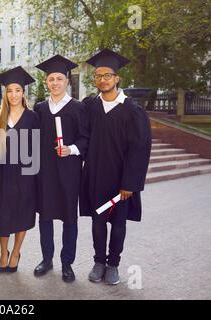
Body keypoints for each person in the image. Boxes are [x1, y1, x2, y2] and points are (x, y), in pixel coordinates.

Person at [80, 48, 151, 285]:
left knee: (118, 225)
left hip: (121, 183)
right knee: (98, 223)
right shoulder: (90, 106)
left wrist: (129, 183)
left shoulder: (132, 110)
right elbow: (83, 138)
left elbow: (139, 149)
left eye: (107, 75)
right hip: (96, 178)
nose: (102, 80)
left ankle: (113, 264)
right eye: (98, 76)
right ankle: (99, 262)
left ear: (117, 78)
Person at [33, 55, 89, 282]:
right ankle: (47, 260)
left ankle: (67, 263)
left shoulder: (78, 108)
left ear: (67, 81)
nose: (55, 83)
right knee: (45, 218)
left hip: (68, 172)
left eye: (59, 79)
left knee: (69, 219)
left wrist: (72, 149)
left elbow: (86, 138)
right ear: (46, 82)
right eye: (51, 79)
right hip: (45, 172)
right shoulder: (40, 109)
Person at [0, 66, 39, 273]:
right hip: (3, 174)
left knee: (22, 213)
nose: (13, 95)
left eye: (17, 90)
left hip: (26, 174)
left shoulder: (32, 117)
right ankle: (3, 252)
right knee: (4, 214)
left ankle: (16, 251)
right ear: (5, 94)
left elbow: (36, 149)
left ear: (23, 93)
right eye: (10, 91)